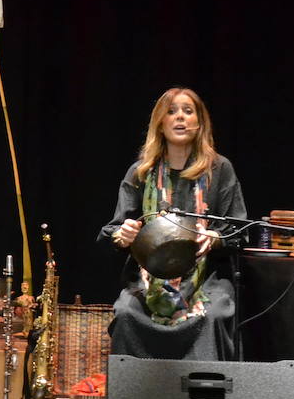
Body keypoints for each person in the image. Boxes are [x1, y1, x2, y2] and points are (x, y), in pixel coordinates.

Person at [98, 87, 247, 359]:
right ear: (160, 123)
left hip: (205, 280)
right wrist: (124, 234)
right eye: (172, 111)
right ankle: (135, 398)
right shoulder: (141, 172)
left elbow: (239, 230)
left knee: (213, 314)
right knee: (127, 312)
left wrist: (214, 237)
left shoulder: (220, 169)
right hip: (147, 282)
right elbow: (112, 231)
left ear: (199, 123)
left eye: (188, 111)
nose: (180, 117)